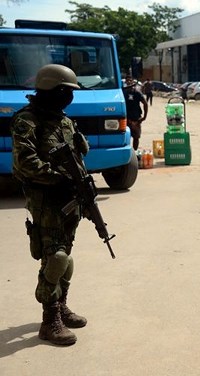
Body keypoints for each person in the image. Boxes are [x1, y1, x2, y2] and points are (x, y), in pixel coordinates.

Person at [11, 64, 90, 346]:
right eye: (68, 91)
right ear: (55, 90)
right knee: (53, 258)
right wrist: (59, 179)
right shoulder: (28, 120)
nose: (70, 97)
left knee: (66, 257)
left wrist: (80, 185)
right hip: (46, 200)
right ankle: (49, 320)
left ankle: (61, 305)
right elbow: (24, 163)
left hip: (70, 199)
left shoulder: (64, 120)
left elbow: (80, 155)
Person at [123, 75, 148, 151]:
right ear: (125, 82)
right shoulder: (122, 92)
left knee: (136, 137)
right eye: (127, 81)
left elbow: (145, 103)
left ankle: (135, 153)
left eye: (130, 80)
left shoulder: (137, 92)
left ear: (133, 81)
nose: (129, 82)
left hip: (136, 119)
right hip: (125, 120)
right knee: (125, 138)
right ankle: (127, 153)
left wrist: (144, 117)